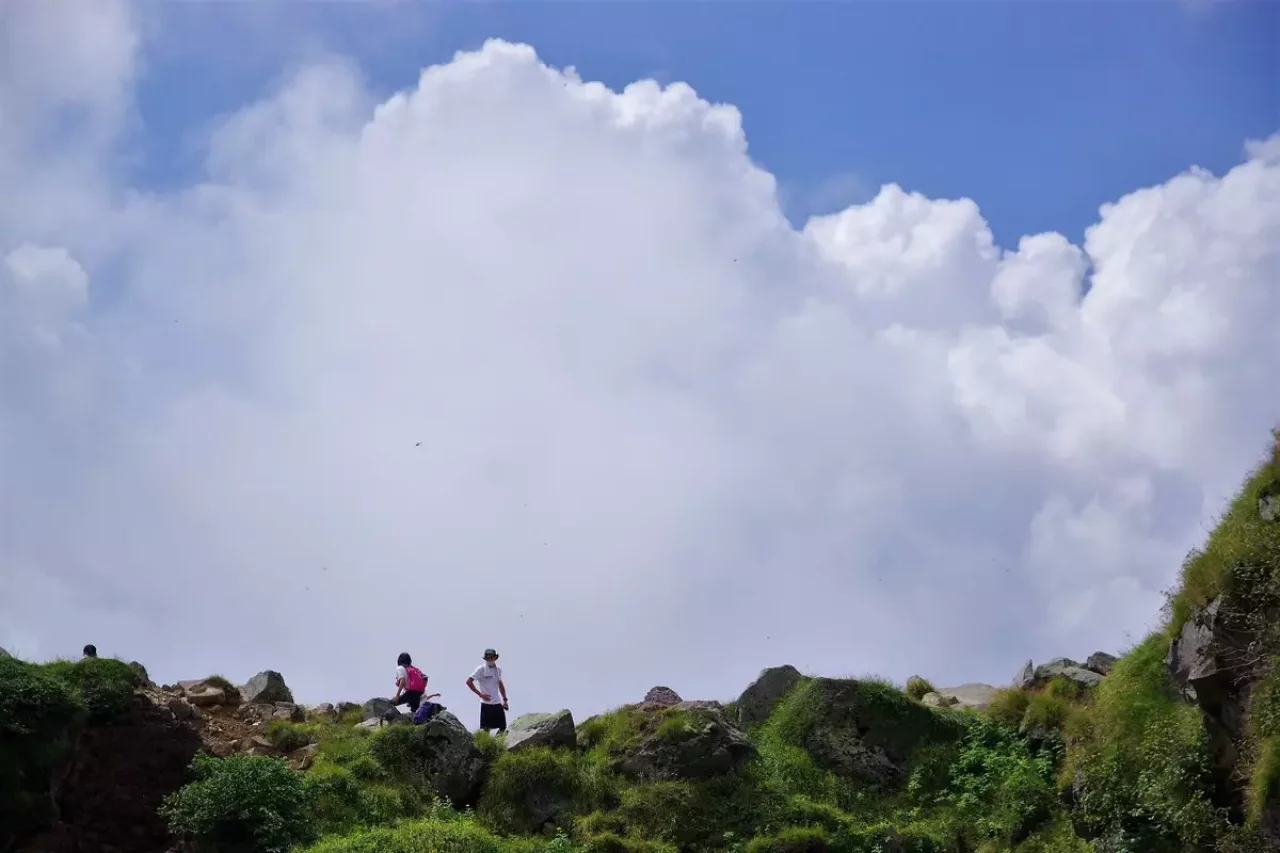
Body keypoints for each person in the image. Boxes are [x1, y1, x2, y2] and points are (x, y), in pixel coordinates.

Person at [466, 648, 508, 734]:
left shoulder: (498, 670)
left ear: (495, 658)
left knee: (502, 727)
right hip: (486, 704)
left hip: (497, 703)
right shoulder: (481, 669)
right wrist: (480, 694)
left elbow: (500, 685)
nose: (489, 660)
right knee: (486, 729)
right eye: (487, 658)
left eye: (491, 657)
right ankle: (485, 746)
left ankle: (497, 744)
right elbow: (469, 682)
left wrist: (505, 700)